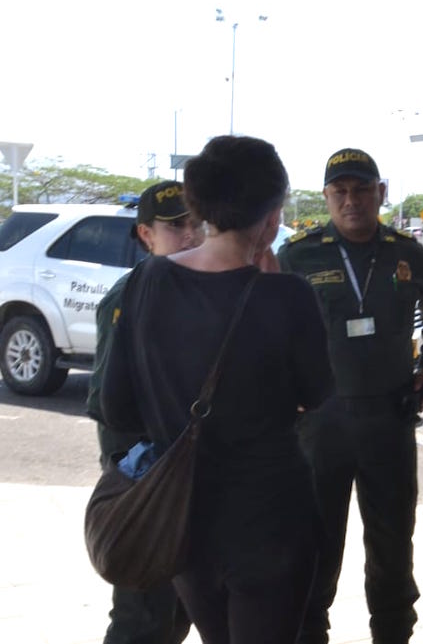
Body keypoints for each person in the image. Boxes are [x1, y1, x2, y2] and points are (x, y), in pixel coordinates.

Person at [100, 135, 333, 644]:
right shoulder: (287, 294)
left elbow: (117, 405)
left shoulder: (146, 282)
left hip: (184, 519)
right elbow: (317, 392)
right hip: (272, 522)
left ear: (200, 206)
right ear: (272, 217)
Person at [277, 148, 423, 644]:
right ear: (327, 197)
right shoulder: (299, 254)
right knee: (316, 548)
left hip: (389, 421)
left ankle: (394, 634)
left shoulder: (406, 252)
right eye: (340, 192)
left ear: (380, 193)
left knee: (393, 548)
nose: (351, 200)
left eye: (361, 190)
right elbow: (264, 322)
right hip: (319, 424)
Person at [86, 180, 202, 644]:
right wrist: (139, 482)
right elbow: (109, 409)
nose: (190, 236)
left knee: (179, 616)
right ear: (145, 236)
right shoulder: (129, 296)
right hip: (152, 485)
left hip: (195, 481)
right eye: (175, 226)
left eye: (197, 224)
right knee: (141, 620)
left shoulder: (204, 291)